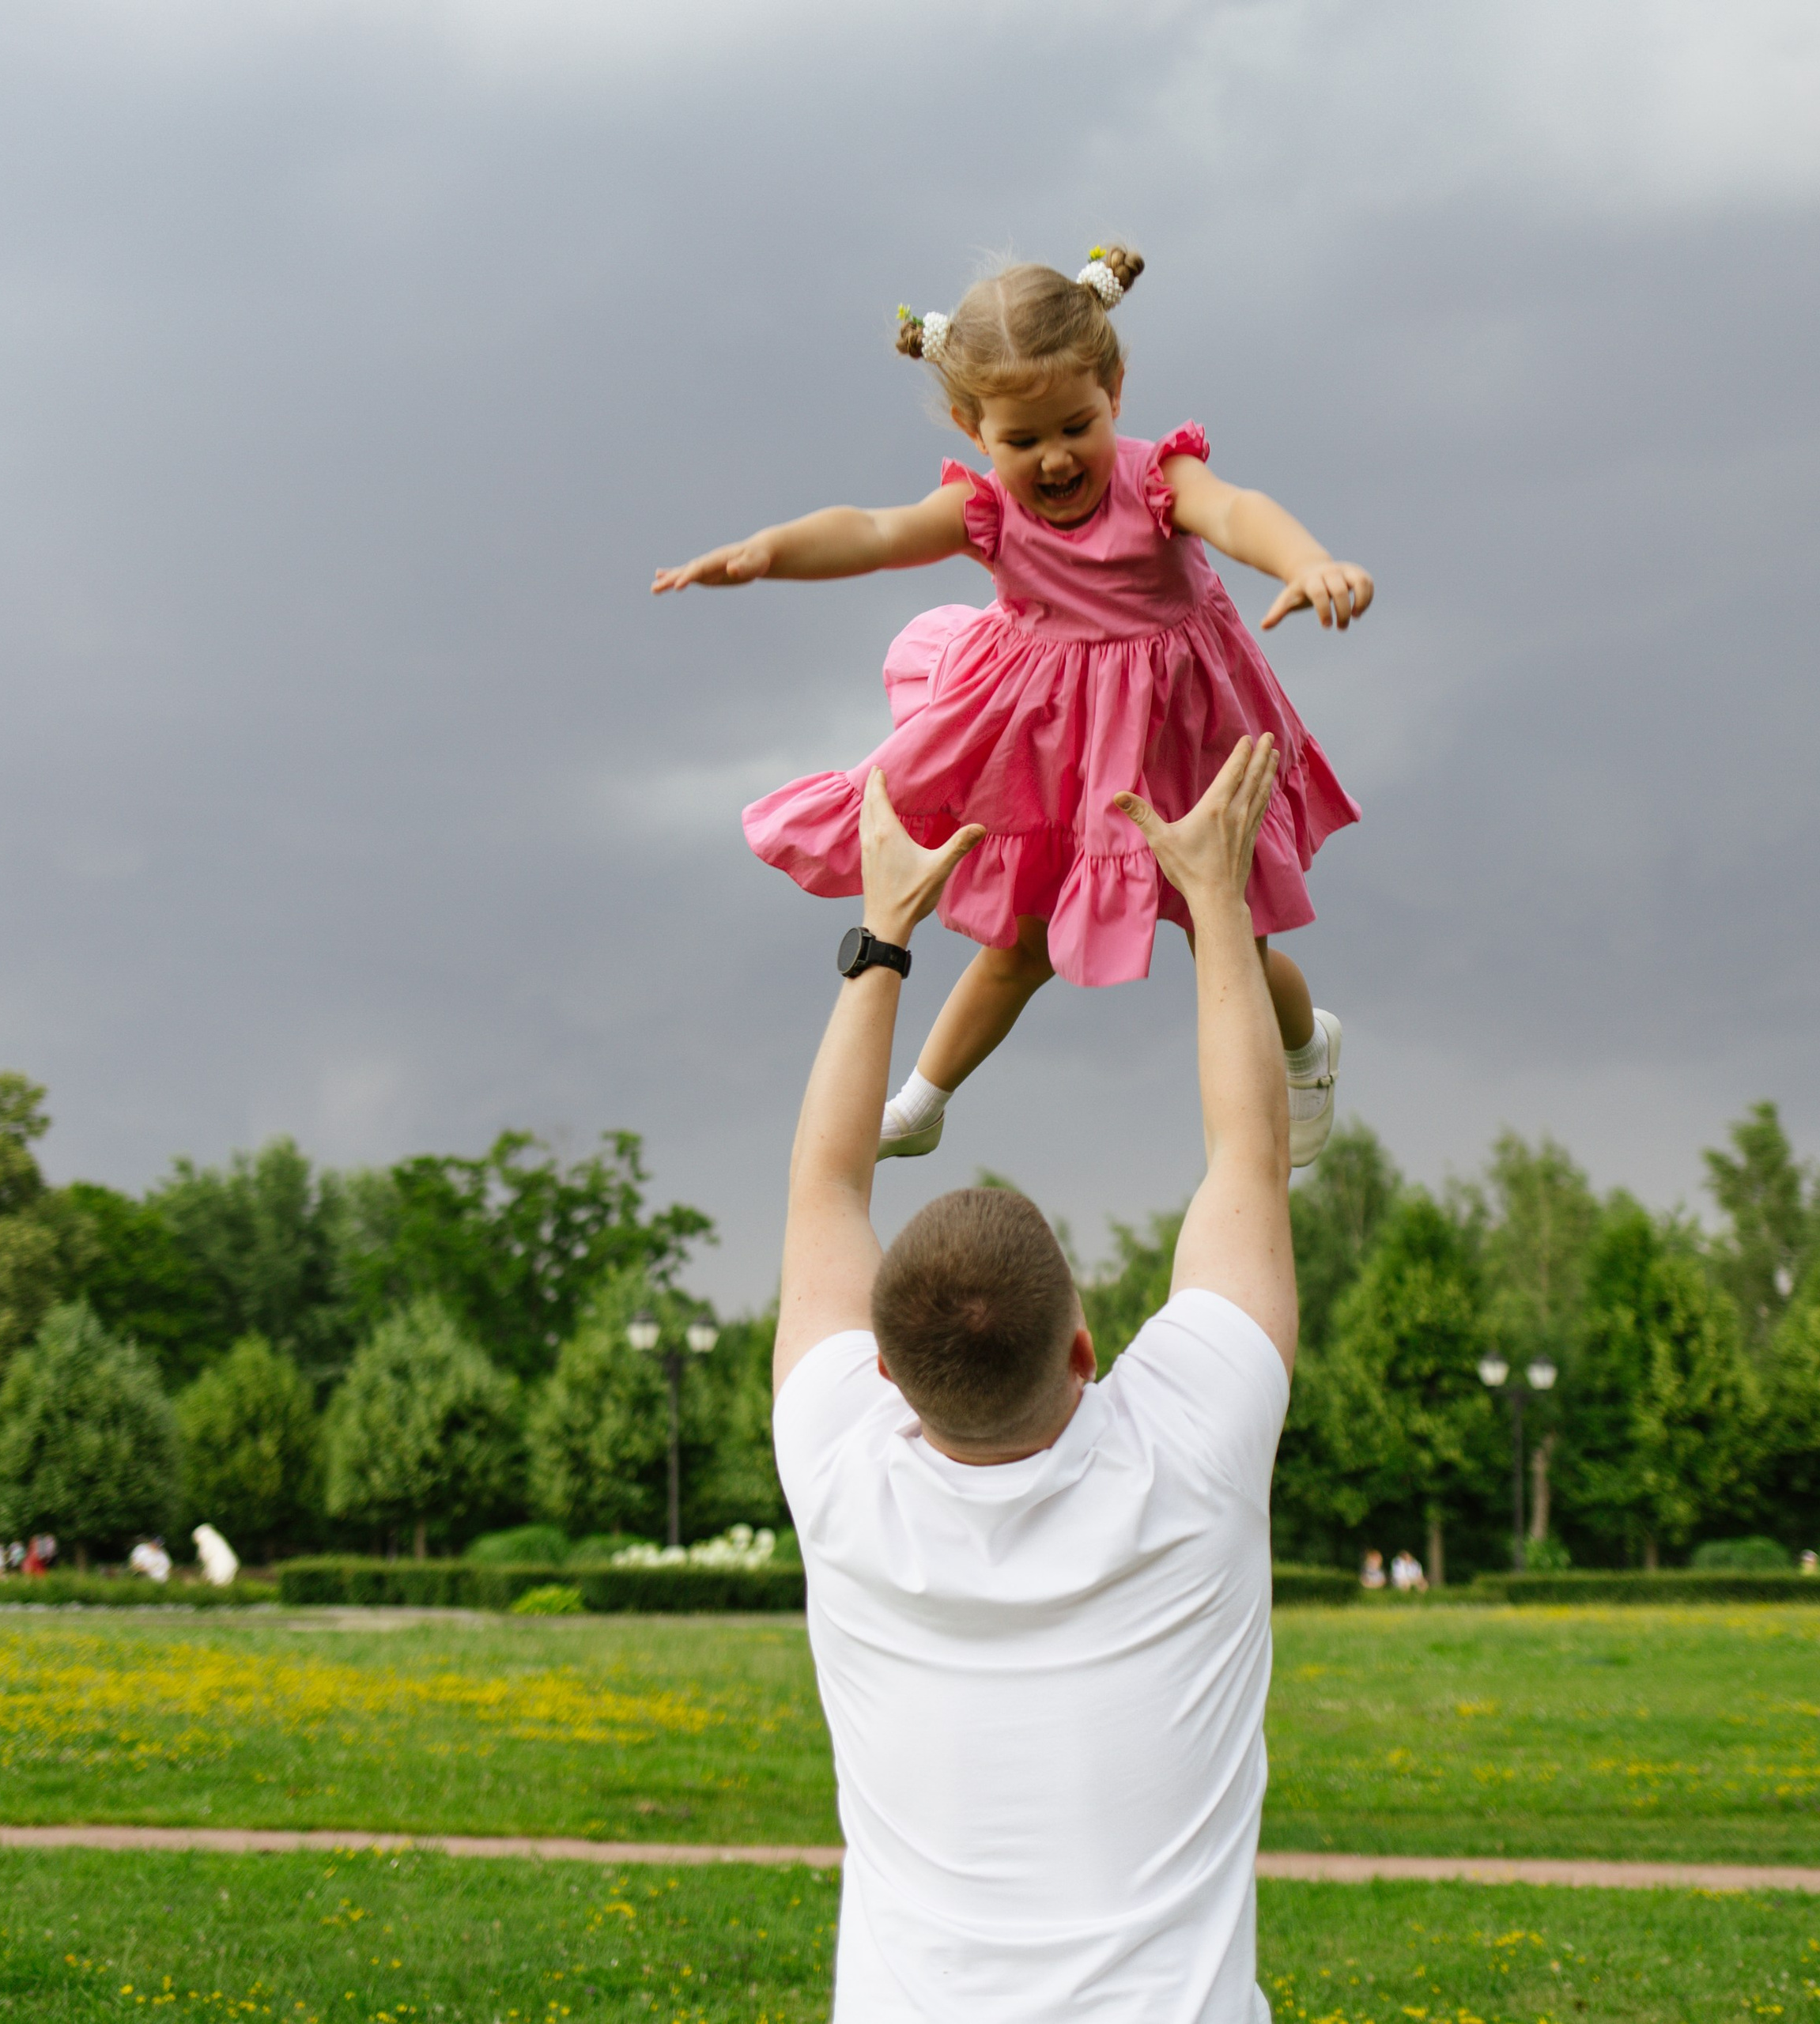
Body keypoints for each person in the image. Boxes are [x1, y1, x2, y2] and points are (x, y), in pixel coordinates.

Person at [772, 736, 1297, 2021]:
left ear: (887, 1375)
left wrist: (883, 930)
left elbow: (824, 1185)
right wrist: (1216, 902)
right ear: (1086, 1346)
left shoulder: (843, 1474)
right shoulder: (1192, 1449)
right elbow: (1251, 1152)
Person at [655, 245, 1369, 1170]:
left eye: (1075, 425)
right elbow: (873, 533)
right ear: (971, 426)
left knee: (1224, 932)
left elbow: (1237, 512)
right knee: (1015, 942)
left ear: (1115, 389)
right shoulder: (989, 512)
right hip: (1052, 742)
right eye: (1022, 441)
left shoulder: (1157, 481)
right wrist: (770, 550)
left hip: (1178, 732)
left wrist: (1304, 560)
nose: (1056, 458)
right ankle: (922, 1098)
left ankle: (1307, 1048)